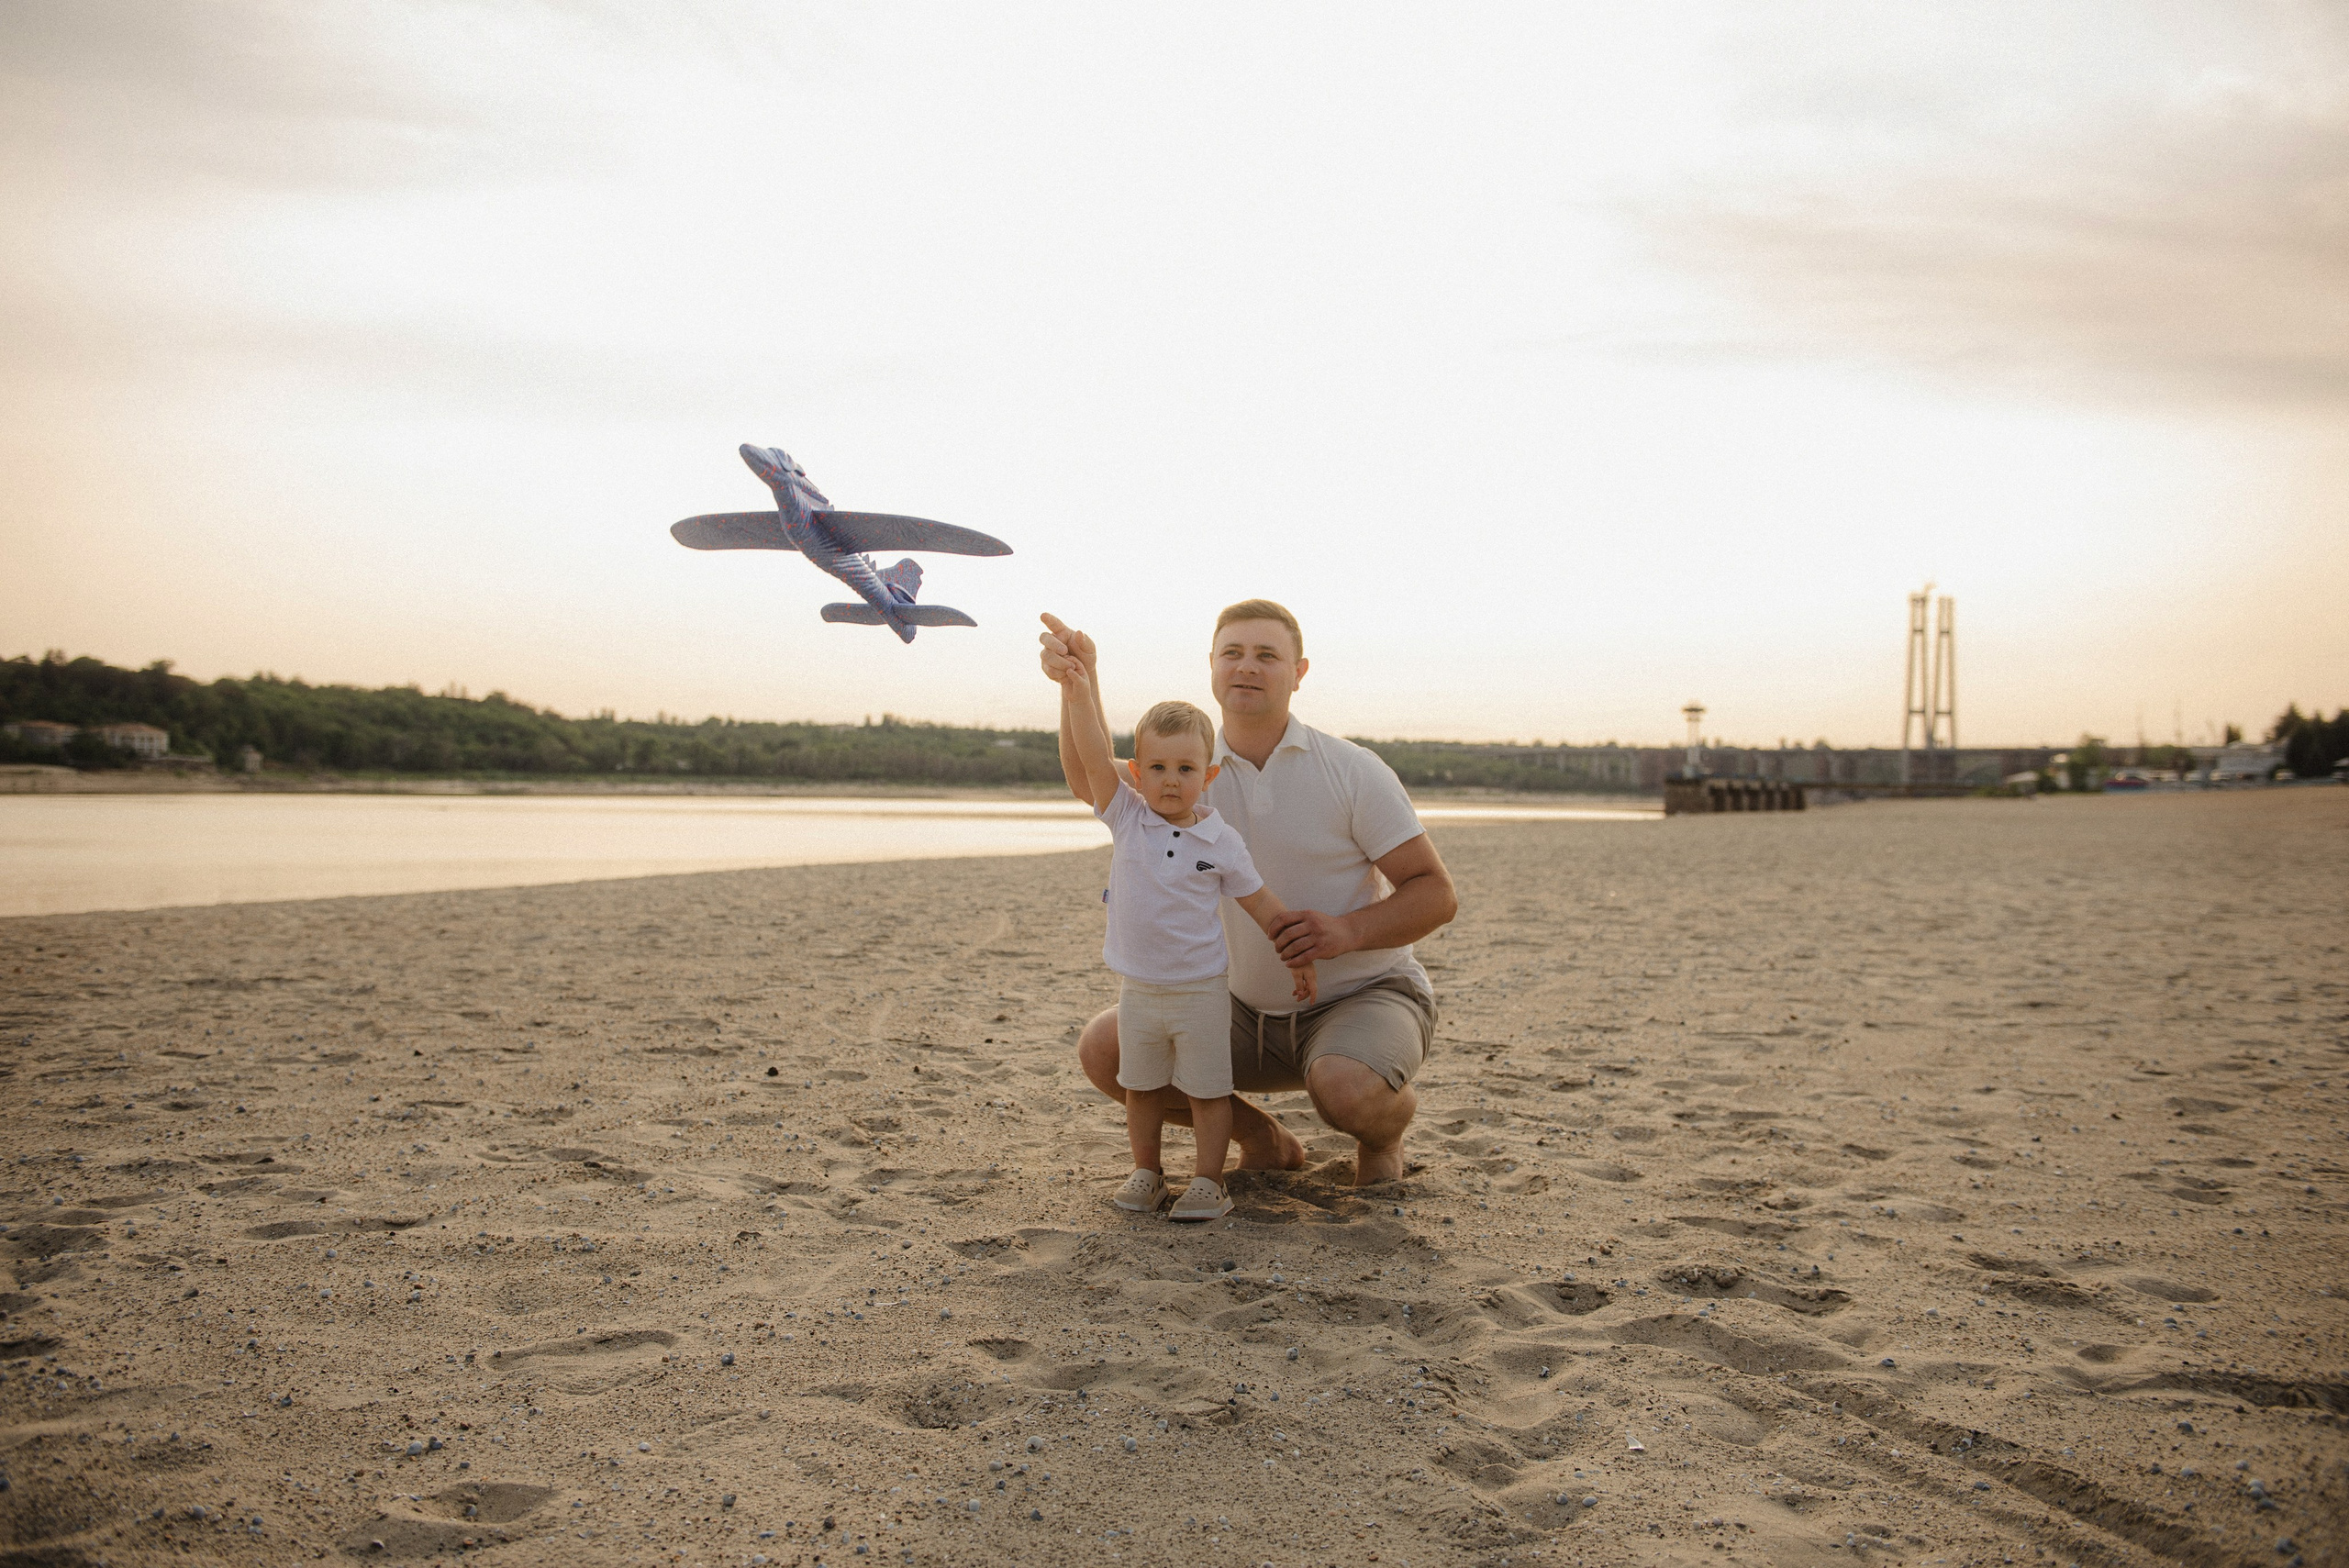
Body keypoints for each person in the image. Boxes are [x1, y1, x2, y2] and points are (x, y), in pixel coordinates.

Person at [1040, 599, 1458, 1186]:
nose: (1247, 667)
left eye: (1267, 655)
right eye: (1232, 653)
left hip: (1359, 996)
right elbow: (1091, 778)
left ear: (1299, 672)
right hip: (1228, 1006)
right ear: (1211, 665)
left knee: (1347, 1088)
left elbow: (1436, 894)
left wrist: (1346, 933)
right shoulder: (1185, 767)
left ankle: (1384, 1135)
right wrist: (1076, 684)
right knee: (1105, 1051)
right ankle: (1261, 1136)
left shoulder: (1353, 770)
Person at [1051, 664, 1317, 1221]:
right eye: (1158, 767)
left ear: (1210, 774)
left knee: (1206, 1091)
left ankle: (1207, 1182)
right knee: (1142, 1088)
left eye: (1186, 768)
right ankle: (1147, 1173)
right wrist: (1076, 691)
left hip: (1200, 992)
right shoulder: (1126, 815)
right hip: (1140, 990)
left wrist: (1299, 959)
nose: (1171, 780)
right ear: (1136, 773)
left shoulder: (1221, 840)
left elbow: (1263, 905)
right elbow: (1093, 752)